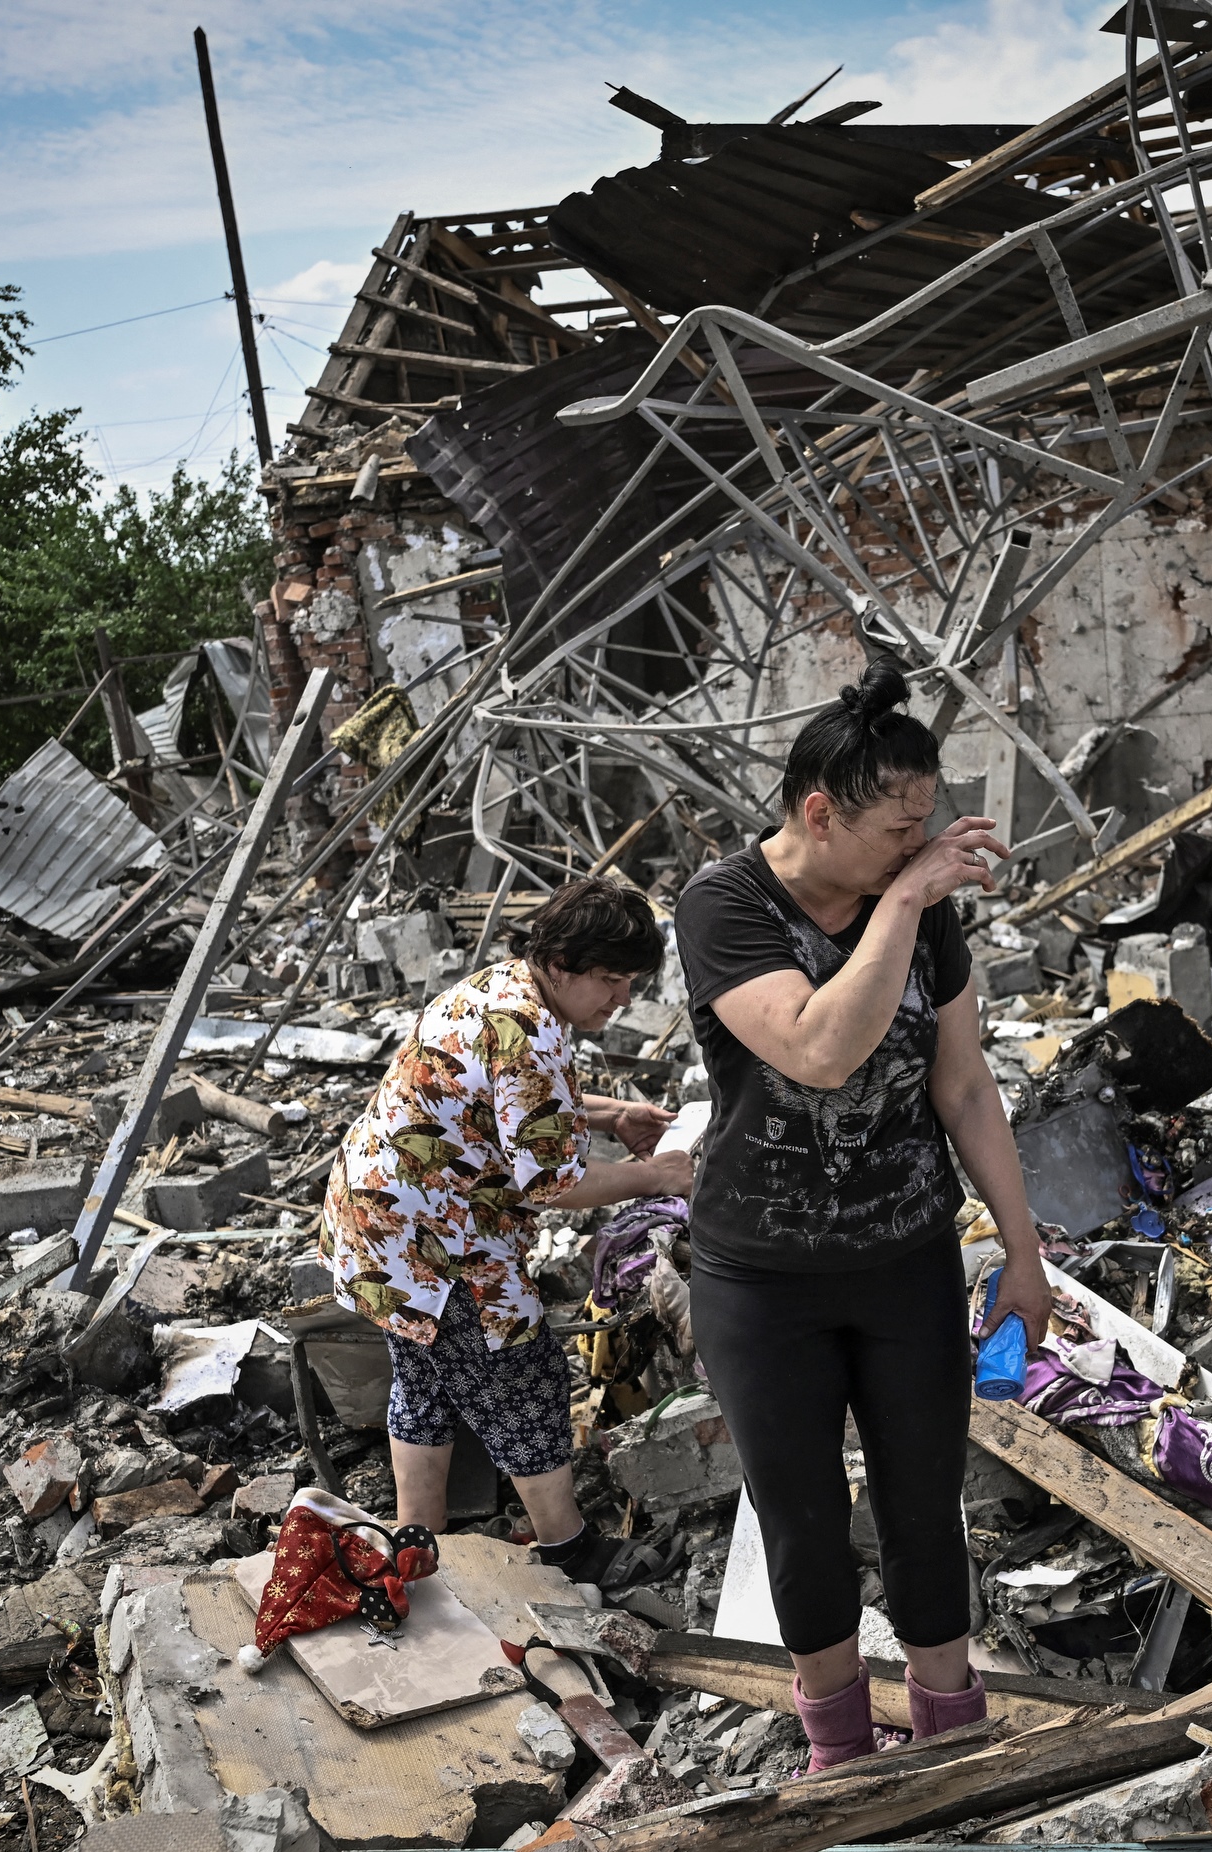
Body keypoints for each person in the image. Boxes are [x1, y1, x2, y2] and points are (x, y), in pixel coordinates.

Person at [674, 661, 1052, 1772]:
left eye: (927, 825)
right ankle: (838, 1751)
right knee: (800, 1520)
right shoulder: (725, 905)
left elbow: (966, 1084)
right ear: (817, 811)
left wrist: (1022, 1253)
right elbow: (820, 1050)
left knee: (925, 1508)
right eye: (900, 829)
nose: (921, 848)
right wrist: (902, 900)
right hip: (762, 1275)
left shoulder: (924, 912)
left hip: (904, 1257)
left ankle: (952, 1738)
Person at [318, 874, 689, 1584]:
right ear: (561, 965)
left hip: (377, 1220)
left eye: (631, 983)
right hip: (434, 1242)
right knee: (522, 1375)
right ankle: (569, 1549)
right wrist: (660, 1175)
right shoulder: (531, 1031)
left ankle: (414, 1543)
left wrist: (609, 1118)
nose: (622, 999)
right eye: (611, 980)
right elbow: (554, 1182)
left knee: (426, 1379)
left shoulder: (502, 986)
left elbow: (508, 1100)